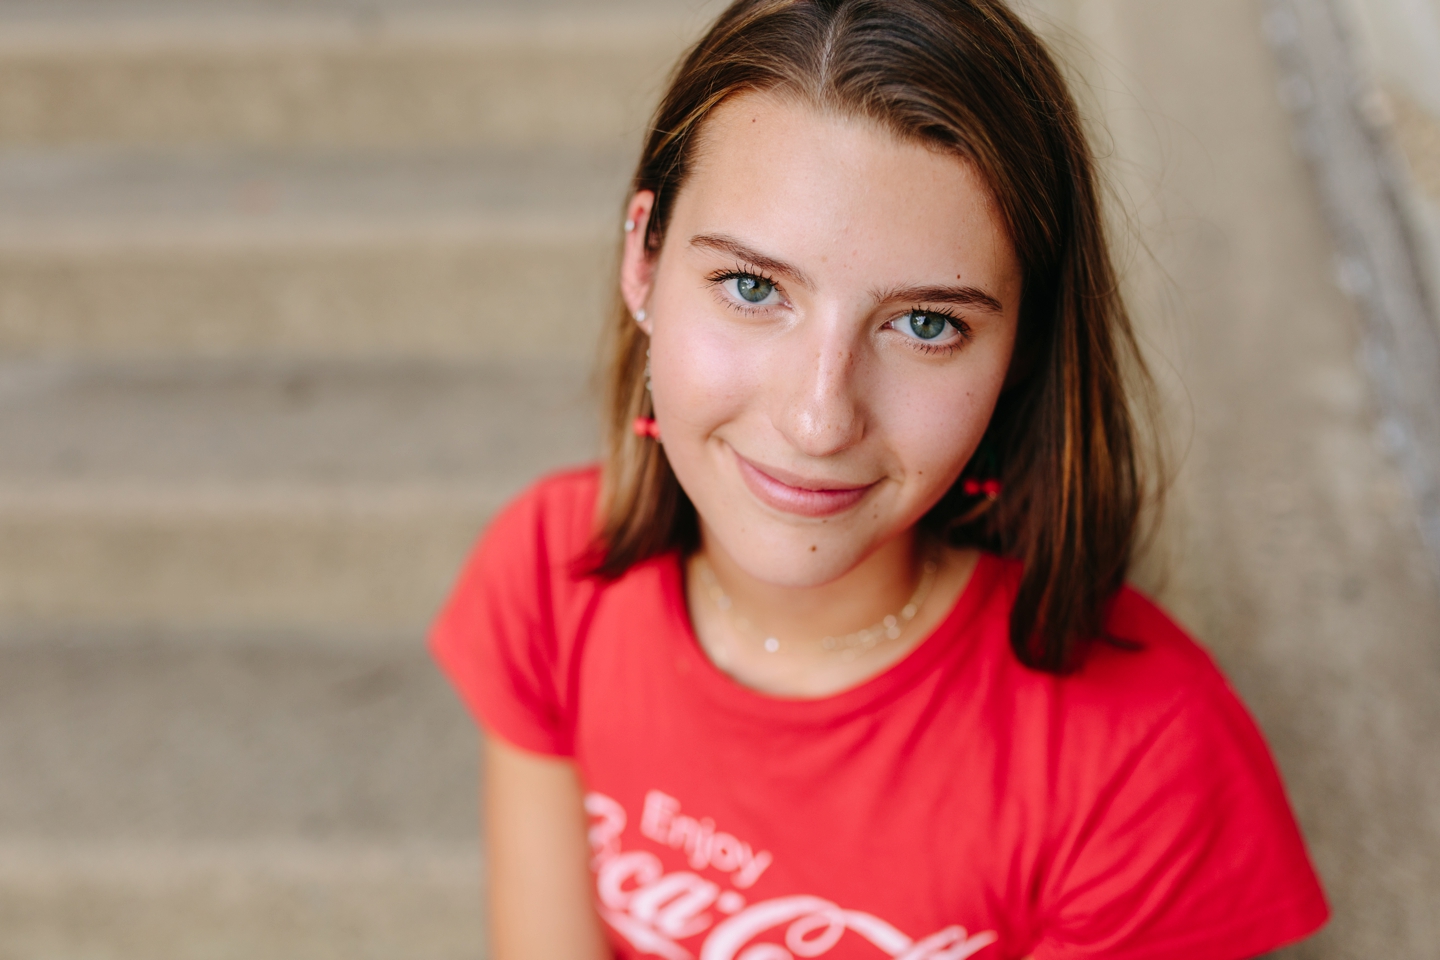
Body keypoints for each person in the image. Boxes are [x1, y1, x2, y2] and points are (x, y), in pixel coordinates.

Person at [431, 1, 1330, 957]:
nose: (820, 420)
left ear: (1021, 348)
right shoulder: (550, 577)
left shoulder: (1142, 758)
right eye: (752, 287)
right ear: (642, 260)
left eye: (927, 324)